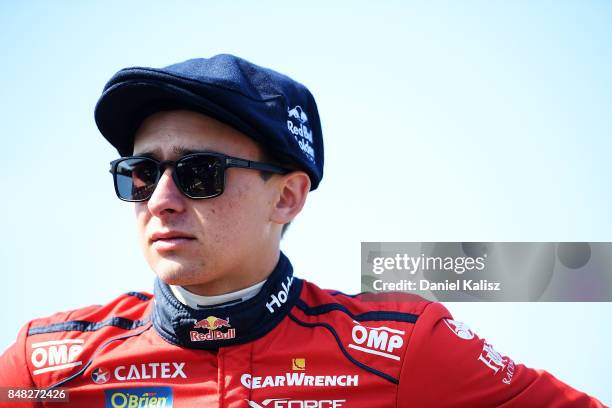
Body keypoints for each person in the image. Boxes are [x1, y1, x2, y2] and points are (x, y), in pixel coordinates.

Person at [0, 54, 605, 408]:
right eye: (140, 173)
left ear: (286, 197)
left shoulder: (406, 347)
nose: (160, 200)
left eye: (199, 173)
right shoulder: (45, 364)